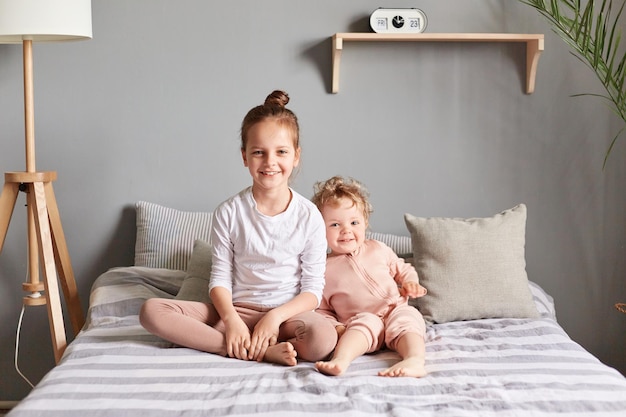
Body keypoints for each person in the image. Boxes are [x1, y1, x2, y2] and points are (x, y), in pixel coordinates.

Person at [140, 90, 338, 366]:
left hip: (287, 318)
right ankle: (257, 349)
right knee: (152, 311)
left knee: (323, 339)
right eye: (259, 152)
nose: (270, 162)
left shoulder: (310, 216)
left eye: (281, 152)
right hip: (237, 313)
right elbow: (219, 279)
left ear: (296, 156)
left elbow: (312, 291)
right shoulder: (229, 212)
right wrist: (231, 320)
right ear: (245, 156)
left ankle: (246, 344)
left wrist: (274, 317)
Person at [311, 176, 428, 377]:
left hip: (395, 309)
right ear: (319, 230)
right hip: (362, 319)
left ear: (365, 223)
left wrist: (411, 282)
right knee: (362, 325)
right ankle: (342, 359)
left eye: (354, 222)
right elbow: (321, 309)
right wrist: (336, 327)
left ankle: (414, 360)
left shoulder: (377, 248)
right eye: (335, 225)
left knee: (409, 319)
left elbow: (403, 268)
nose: (346, 230)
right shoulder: (322, 269)